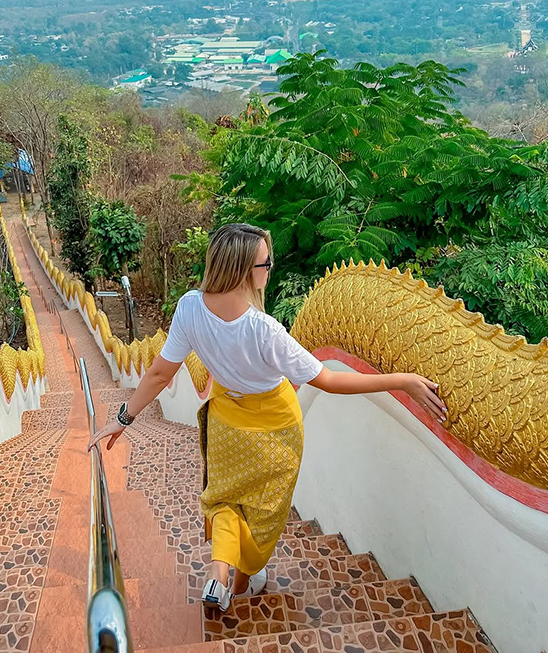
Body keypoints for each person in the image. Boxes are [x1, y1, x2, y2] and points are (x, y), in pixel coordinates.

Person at [87, 223, 446, 613]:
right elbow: (327, 379)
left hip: (227, 420)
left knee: (224, 500)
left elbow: (159, 373)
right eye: (265, 263)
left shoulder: (190, 307)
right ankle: (241, 581)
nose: (269, 269)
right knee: (261, 516)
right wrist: (404, 381)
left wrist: (121, 420)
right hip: (275, 429)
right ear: (245, 270)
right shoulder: (265, 330)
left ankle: (218, 571)